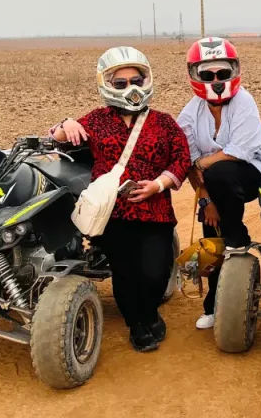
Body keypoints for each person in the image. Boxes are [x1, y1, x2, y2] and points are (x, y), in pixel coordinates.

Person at [50, 46, 190, 352]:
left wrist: (157, 185)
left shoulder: (164, 123)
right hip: (112, 213)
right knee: (125, 274)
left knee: (155, 272)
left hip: (156, 211)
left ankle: (150, 311)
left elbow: (181, 160)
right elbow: (55, 139)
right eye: (121, 83)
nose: (132, 88)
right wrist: (66, 124)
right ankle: (137, 326)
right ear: (107, 85)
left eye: (137, 80)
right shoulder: (97, 120)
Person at [178, 37, 261, 331]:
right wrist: (207, 203)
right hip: (214, 185)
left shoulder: (244, 101)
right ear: (195, 76)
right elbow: (190, 165)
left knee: (219, 171)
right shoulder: (189, 114)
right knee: (211, 240)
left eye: (223, 73)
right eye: (207, 75)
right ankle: (213, 306)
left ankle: (238, 235)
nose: (216, 80)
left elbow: (240, 151)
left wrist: (203, 163)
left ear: (233, 72)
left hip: (249, 173)